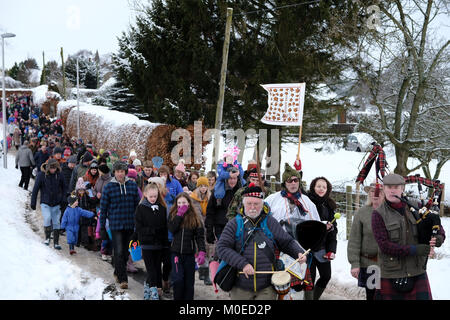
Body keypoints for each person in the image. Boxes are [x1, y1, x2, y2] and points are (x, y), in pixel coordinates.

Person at [216, 184, 308, 300]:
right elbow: (222, 248)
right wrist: (243, 264)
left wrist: (298, 252)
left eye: (256, 204)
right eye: (249, 204)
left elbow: (287, 242)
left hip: (267, 287)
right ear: (243, 204)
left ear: (262, 204)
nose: (253, 207)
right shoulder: (234, 224)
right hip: (240, 286)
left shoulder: (270, 222)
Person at [371, 173, 446, 300]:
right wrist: (414, 250)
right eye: (389, 187)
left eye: (396, 187)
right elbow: (384, 246)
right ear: (383, 189)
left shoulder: (416, 207)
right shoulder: (378, 214)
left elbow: (434, 223)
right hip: (391, 273)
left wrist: (438, 237)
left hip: (417, 271)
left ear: (403, 189)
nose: (392, 190)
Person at [264, 163, 320, 296]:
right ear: (285, 182)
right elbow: (262, 218)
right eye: (290, 180)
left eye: (296, 180)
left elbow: (316, 223)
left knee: (297, 285)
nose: (293, 183)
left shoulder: (307, 202)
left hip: (299, 249)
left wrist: (324, 226)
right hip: (278, 246)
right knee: (279, 283)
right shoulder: (273, 199)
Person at [99, 161, 140, 290]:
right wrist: (101, 227)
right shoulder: (109, 187)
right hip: (115, 224)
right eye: (117, 171)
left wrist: (138, 224)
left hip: (129, 224)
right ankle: (123, 279)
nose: (120, 174)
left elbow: (137, 207)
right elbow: (104, 208)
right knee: (118, 251)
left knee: (126, 252)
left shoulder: (132, 186)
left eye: (122, 171)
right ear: (114, 172)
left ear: (125, 172)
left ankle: (117, 271)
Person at [347, 182, 384, 300]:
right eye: (372, 191)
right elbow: (354, 240)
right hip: (370, 264)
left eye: (379, 191)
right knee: (372, 296)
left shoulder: (391, 213)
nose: (375, 194)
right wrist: (354, 263)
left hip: (389, 265)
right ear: (369, 194)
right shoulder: (361, 213)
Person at [167, 193, 206, 300]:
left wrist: (202, 251)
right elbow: (172, 229)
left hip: (189, 254)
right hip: (176, 253)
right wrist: (179, 215)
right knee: (178, 280)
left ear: (189, 203)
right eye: (179, 203)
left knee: (189, 283)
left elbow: (200, 237)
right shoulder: (173, 214)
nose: (181, 205)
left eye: (184, 202)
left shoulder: (195, 216)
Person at [134, 183, 169, 300]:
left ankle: (149, 286)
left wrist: (165, 245)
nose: (153, 199)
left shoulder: (162, 208)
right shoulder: (141, 208)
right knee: (151, 269)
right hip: (147, 244)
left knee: (157, 267)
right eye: (151, 196)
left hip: (159, 245)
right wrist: (152, 231)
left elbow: (164, 227)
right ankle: (153, 290)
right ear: (145, 195)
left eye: (155, 196)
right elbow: (139, 227)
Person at [306, 176, 338, 300]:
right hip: (307, 247)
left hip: (322, 247)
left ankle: (314, 298)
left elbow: (333, 231)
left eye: (324, 187)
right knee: (310, 279)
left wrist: (331, 250)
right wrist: (321, 227)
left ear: (328, 189)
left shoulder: (329, 205)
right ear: (313, 187)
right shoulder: (306, 202)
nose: (321, 189)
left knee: (326, 276)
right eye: (318, 186)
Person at [30, 158, 66, 249]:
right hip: (45, 202)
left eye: (54, 168)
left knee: (57, 222)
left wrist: (63, 199)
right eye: (51, 168)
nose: (53, 170)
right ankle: (47, 238)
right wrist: (33, 202)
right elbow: (35, 189)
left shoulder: (60, 175)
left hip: (56, 203)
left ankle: (56, 242)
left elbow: (64, 188)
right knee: (47, 218)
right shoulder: (41, 175)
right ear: (47, 167)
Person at [205, 170, 241, 246]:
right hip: (221, 226)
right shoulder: (218, 191)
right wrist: (209, 230)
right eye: (230, 178)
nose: (232, 181)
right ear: (226, 179)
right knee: (223, 249)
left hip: (236, 226)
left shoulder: (240, 191)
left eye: (235, 178)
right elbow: (210, 212)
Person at [190, 176, 213, 285]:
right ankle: (201, 270)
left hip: (208, 226)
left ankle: (205, 272)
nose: (203, 188)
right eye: (201, 186)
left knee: (208, 249)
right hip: (198, 226)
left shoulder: (210, 197)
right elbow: (196, 214)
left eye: (205, 186)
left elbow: (211, 212)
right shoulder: (193, 198)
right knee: (199, 249)